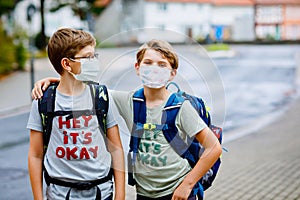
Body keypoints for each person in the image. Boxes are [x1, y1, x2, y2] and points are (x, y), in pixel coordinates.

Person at [32, 39, 222, 200]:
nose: (154, 69)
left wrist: (187, 184)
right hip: (144, 193)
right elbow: (88, 89)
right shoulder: (130, 101)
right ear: (137, 68)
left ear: (172, 73)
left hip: (177, 192)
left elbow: (214, 147)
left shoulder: (180, 107)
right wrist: (56, 80)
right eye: (148, 62)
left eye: (162, 64)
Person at [27, 28, 125, 200]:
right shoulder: (43, 101)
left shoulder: (102, 97)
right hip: (59, 194)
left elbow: (116, 149)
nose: (94, 61)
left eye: (95, 56)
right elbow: (35, 155)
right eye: (88, 57)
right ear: (66, 64)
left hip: (101, 193)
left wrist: (120, 196)